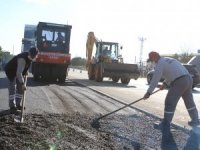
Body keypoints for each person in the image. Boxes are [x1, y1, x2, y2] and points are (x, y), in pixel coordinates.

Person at [143, 51, 200, 130]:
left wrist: (148, 92)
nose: (152, 62)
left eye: (152, 60)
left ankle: (165, 124)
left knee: (170, 101)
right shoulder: (168, 59)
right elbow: (173, 73)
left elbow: (155, 79)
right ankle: (195, 120)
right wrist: (165, 83)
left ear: (155, 57)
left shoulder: (160, 64)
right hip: (188, 79)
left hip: (180, 81)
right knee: (189, 102)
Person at [4, 47, 39, 114]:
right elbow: (18, 73)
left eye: (34, 57)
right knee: (12, 88)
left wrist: (26, 71)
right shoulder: (22, 59)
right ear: (29, 53)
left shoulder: (31, 57)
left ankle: (18, 104)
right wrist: (23, 84)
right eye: (32, 56)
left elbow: (25, 66)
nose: (33, 58)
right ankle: (12, 106)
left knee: (20, 88)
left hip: (18, 71)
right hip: (11, 71)